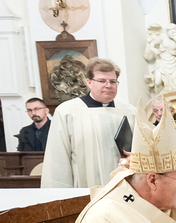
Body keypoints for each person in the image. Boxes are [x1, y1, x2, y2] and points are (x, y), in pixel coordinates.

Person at [41, 58, 136, 189]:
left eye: (113, 81)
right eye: (102, 81)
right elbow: (58, 158)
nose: (108, 85)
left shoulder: (130, 112)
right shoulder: (68, 112)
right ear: (89, 82)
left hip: (125, 189)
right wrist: (62, 194)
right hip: (85, 188)